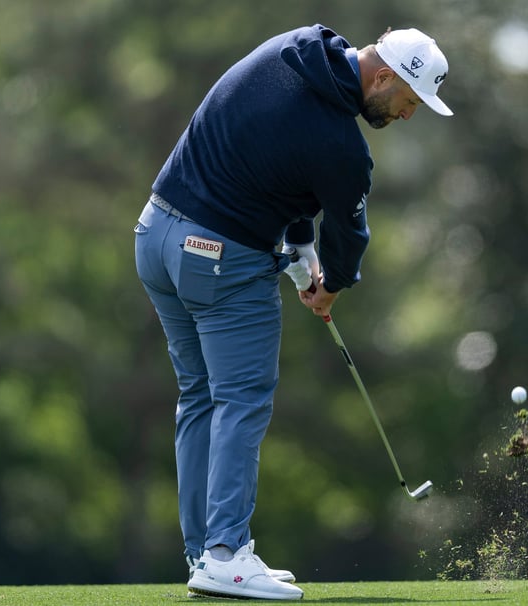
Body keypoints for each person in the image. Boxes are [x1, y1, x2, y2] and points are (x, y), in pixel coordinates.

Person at [134, 23, 452, 600]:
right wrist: (332, 284)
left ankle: (204, 553)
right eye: (408, 103)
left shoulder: (294, 48)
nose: (407, 116)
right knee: (242, 397)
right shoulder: (343, 146)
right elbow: (349, 233)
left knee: (200, 396)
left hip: (154, 235)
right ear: (382, 79)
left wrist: (304, 257)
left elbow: (278, 166)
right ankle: (226, 553)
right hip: (217, 257)